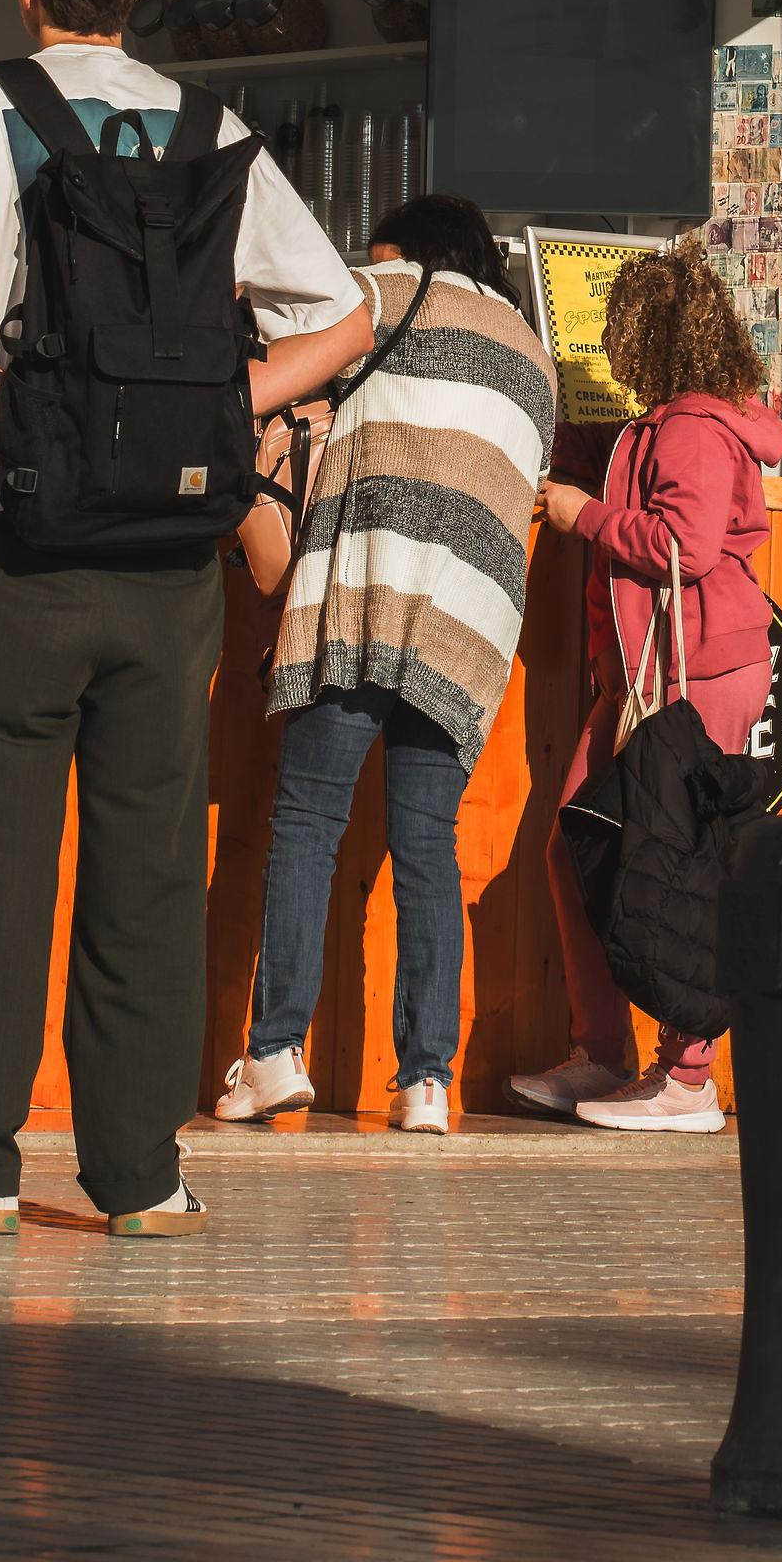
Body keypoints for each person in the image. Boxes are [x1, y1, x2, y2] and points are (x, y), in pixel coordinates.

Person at [0, 0, 370, 1239]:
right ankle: (140, 1179)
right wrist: (212, 408)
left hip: (10, 539)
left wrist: (6, 395)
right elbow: (343, 315)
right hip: (169, 563)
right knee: (145, 867)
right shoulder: (212, 126)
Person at [215, 193, 557, 1138]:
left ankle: (277, 1053)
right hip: (469, 620)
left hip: (372, 588)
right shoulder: (533, 353)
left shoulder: (386, 287)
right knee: (426, 848)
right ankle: (427, 1083)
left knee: (309, 820)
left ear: (406, 251)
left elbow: (277, 326)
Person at [518, 242, 782, 1133]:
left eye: (617, 331)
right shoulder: (669, 424)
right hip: (649, 673)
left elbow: (687, 545)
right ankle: (604, 1054)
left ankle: (688, 1078)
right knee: (580, 841)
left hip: (697, 671)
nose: (607, 343)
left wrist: (582, 515)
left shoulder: (694, 429)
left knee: (675, 864)